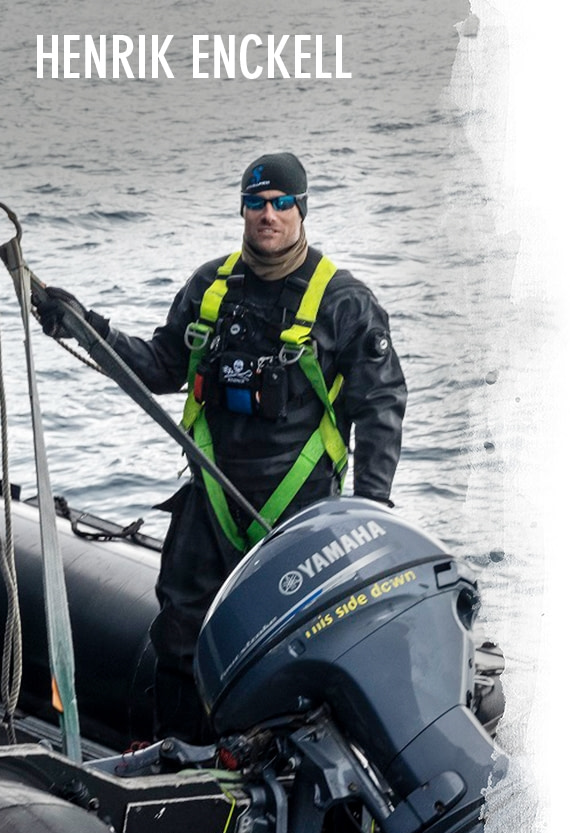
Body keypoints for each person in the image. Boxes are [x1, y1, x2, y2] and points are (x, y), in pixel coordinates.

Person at [37, 152, 407, 744]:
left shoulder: (344, 302)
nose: (268, 215)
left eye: (281, 203)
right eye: (256, 203)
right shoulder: (210, 287)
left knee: (290, 645)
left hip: (297, 514)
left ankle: (273, 762)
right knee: (179, 634)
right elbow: (161, 365)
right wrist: (88, 328)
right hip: (210, 503)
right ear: (241, 209)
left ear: (302, 210)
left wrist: (369, 512)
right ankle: (177, 756)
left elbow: (381, 404)